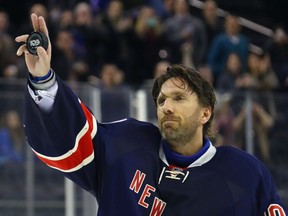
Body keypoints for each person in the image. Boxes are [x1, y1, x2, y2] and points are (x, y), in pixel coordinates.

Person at [15, 13, 287, 215]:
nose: (166, 106)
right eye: (161, 100)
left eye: (179, 98)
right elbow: (69, 144)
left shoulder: (244, 174)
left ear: (206, 113)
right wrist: (43, 79)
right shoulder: (127, 144)